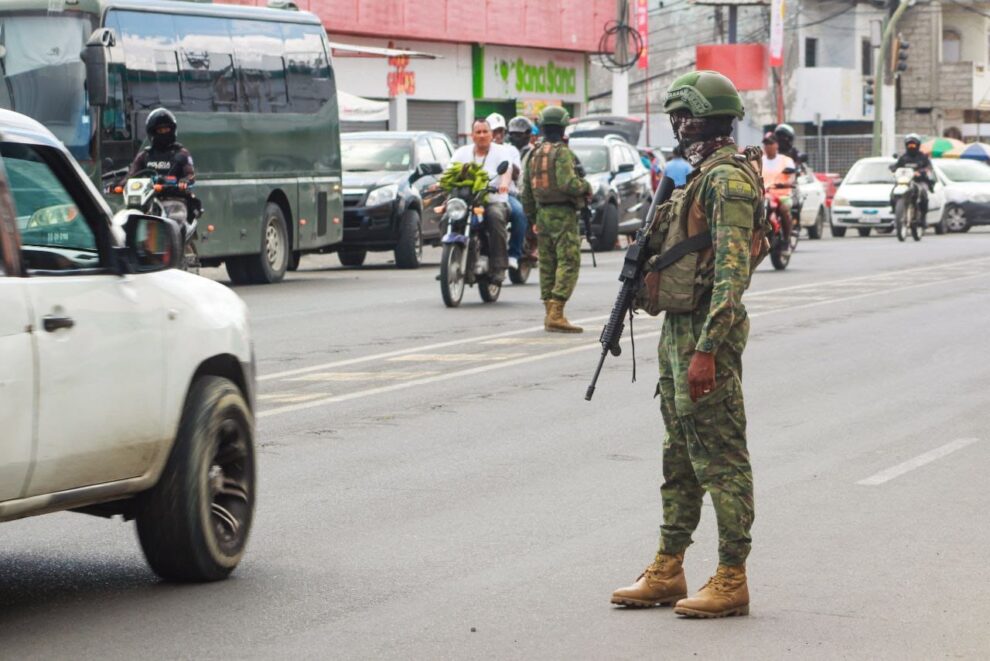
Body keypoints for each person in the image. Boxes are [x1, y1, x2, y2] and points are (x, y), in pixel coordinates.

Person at [611, 70, 760, 618]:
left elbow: (731, 274)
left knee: (720, 459)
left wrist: (707, 349)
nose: (676, 125)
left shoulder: (728, 181)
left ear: (703, 118)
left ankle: (731, 576)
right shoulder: (696, 176)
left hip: (705, 336)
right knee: (679, 455)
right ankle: (669, 566)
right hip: (679, 329)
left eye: (683, 116)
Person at [521, 106, 591, 333]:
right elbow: (568, 183)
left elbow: (526, 192)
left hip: (542, 214)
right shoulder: (562, 153)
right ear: (562, 128)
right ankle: (556, 312)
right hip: (563, 214)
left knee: (548, 264)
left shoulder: (533, 153)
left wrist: (533, 217)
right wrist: (586, 187)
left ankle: (548, 312)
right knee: (569, 262)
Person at [450, 119, 517, 281]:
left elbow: (506, 170)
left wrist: (504, 184)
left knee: (495, 216)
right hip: (467, 201)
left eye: (485, 131)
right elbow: (450, 172)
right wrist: (439, 184)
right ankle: (452, 259)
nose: (482, 135)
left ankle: (499, 265)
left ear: (492, 134)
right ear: (472, 135)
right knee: (448, 217)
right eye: (478, 132)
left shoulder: (501, 151)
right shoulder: (461, 153)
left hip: (494, 200)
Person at [127, 108, 197, 221]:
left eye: (166, 129)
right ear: (152, 132)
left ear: (173, 130)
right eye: (160, 130)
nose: (164, 133)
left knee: (177, 218)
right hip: (146, 201)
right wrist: (118, 185)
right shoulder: (144, 155)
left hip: (174, 201)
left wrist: (184, 181)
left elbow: (190, 175)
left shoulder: (182, 154)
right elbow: (131, 175)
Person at [761, 132, 796, 246]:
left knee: (784, 210)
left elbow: (792, 176)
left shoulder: (786, 160)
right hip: (764, 195)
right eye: (765, 144)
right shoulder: (759, 161)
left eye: (770, 143)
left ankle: (786, 238)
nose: (767, 146)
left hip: (782, 196)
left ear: (776, 145)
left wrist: (787, 183)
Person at [890, 133, 934, 223]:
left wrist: (921, 172)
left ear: (918, 145)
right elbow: (897, 165)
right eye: (909, 144)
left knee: (924, 194)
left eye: (913, 144)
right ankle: (896, 212)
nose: (911, 146)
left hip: (919, 181)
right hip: (905, 181)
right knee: (893, 193)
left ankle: (923, 217)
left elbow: (929, 167)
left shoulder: (923, 157)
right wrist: (893, 168)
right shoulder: (903, 157)